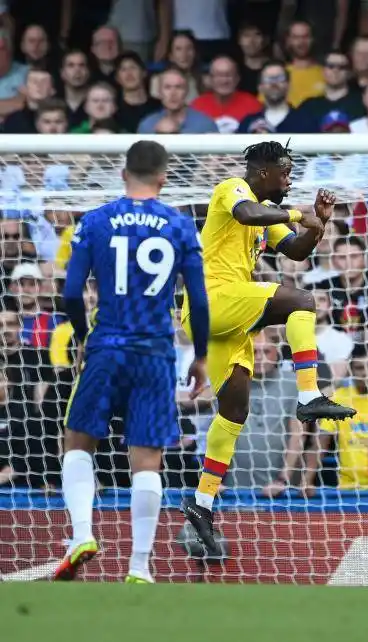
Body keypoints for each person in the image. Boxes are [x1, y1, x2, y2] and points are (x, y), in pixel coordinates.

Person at [178, 141, 356, 555]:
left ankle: (202, 504)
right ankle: (309, 393)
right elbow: (247, 213)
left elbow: (295, 249)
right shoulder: (233, 190)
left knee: (234, 411)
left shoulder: (266, 214)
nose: (289, 181)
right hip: (214, 300)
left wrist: (317, 226)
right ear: (263, 174)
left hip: (226, 322)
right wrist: (298, 213)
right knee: (302, 301)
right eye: (285, 173)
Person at [54, 141, 209, 583]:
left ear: (124, 174)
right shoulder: (179, 225)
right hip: (156, 351)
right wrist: (199, 355)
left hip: (107, 345)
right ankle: (139, 566)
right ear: (163, 178)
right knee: (147, 459)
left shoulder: (96, 221)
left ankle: (82, 533)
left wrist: (84, 339)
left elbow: (69, 293)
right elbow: (197, 300)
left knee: (78, 441)